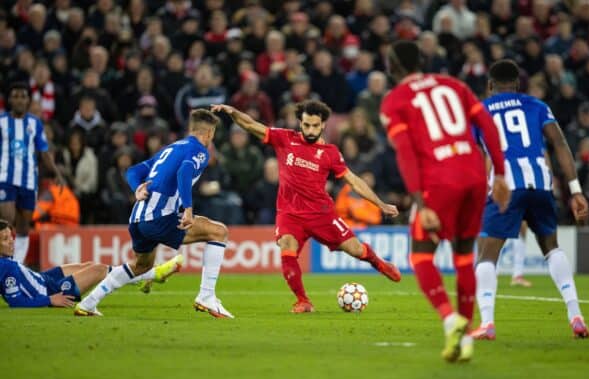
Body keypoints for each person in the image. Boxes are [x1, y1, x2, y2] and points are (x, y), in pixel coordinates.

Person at [380, 40, 510, 362]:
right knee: (464, 257)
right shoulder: (454, 85)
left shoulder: (394, 101)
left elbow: (407, 155)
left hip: (440, 181)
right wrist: (502, 175)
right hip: (475, 175)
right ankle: (465, 340)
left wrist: (421, 206)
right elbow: (488, 126)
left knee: (421, 256)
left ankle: (450, 319)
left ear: (394, 66)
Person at [211, 100, 401, 314]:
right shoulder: (285, 139)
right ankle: (303, 301)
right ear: (300, 123)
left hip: (322, 214)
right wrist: (233, 111)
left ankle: (381, 264)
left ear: (323, 126)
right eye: (307, 125)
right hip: (290, 214)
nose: (310, 130)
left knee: (355, 249)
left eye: (315, 126)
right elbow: (252, 125)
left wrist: (380, 204)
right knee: (287, 246)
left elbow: (354, 181)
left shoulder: (330, 153)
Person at [472, 59, 589, 340]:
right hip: (540, 181)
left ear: (490, 85)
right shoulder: (537, 106)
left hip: (506, 185)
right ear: (518, 84)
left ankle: (487, 323)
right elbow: (560, 144)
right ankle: (576, 315)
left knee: (487, 254)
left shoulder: (480, 111)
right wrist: (575, 190)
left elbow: (477, 156)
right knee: (551, 247)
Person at [75, 109, 233, 318]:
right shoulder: (200, 150)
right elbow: (185, 172)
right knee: (218, 232)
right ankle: (206, 296)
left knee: (140, 266)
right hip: (160, 217)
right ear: (210, 133)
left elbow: (133, 171)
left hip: (138, 218)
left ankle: (88, 303)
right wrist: (188, 208)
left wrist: (137, 187)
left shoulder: (171, 148)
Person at [0, 219, 181, 308]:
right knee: (99, 270)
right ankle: (152, 274)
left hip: (43, 279)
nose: (11, 242)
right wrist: (50, 300)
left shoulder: (5, 261)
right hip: (51, 290)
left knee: (87, 264)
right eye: (5, 239)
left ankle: (139, 279)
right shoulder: (5, 266)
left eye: (11, 237)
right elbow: (15, 301)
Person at [0, 82, 65, 264]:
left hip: (28, 180)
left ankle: (17, 266)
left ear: (28, 100)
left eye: (23, 96)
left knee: (23, 227)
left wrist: (56, 173)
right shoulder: (2, 122)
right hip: (5, 178)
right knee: (6, 221)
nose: (19, 100)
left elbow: (43, 151)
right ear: (9, 99)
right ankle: (3, 263)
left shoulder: (34, 123)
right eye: (16, 96)